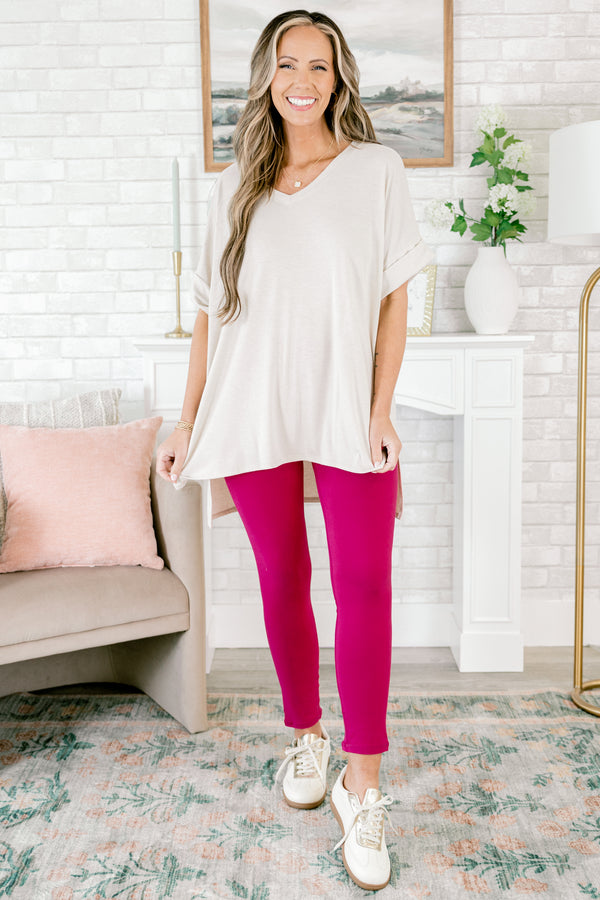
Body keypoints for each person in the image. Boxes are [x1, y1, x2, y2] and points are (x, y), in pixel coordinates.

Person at [156, 8, 432, 892]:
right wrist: (185, 420)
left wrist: (381, 410)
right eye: (287, 63)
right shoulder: (235, 182)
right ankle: (307, 736)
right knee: (283, 577)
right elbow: (210, 315)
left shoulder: (377, 170)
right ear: (266, 77)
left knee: (364, 584)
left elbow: (394, 300)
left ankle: (364, 782)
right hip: (251, 406)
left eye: (318, 64)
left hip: (346, 407)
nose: (302, 80)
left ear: (338, 77)